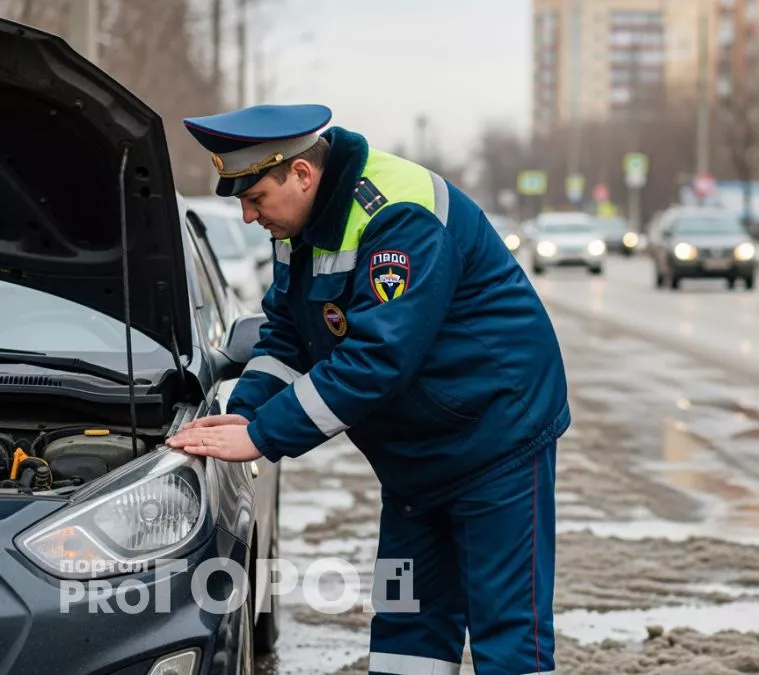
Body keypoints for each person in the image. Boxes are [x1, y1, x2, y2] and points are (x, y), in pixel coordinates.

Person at [167, 103, 570, 675]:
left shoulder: (400, 215)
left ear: (301, 174)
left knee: (508, 635)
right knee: (407, 627)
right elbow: (288, 335)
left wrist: (264, 436)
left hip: (496, 439)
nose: (249, 216)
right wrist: (247, 413)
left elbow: (378, 358)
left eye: (254, 198)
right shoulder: (299, 221)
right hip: (414, 458)